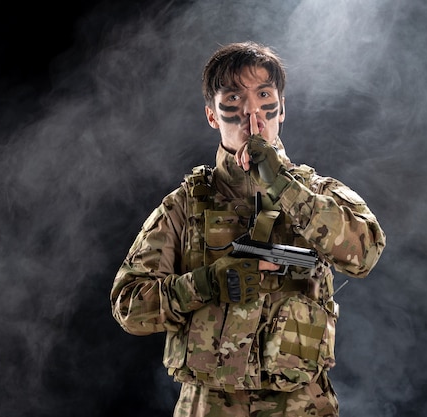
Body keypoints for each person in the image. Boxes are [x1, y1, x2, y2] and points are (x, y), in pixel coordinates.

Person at [110, 41, 386, 416]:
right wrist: (204, 285)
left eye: (264, 96)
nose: (251, 113)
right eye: (234, 98)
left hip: (300, 406)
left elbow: (365, 254)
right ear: (212, 115)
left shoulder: (318, 193)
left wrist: (282, 186)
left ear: (282, 109)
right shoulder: (185, 205)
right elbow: (128, 306)